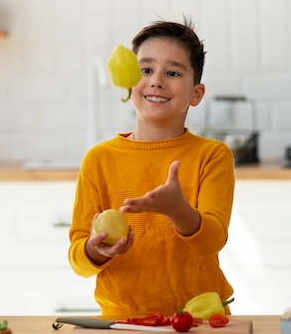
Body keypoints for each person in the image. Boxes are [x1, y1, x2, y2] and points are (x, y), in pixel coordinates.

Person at [68, 18, 235, 318]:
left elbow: (213, 240)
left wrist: (177, 209)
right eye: (145, 70)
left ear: (196, 94)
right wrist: (95, 250)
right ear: (128, 80)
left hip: (200, 319)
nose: (156, 80)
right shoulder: (98, 160)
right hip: (121, 320)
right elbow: (78, 259)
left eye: (172, 72)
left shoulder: (213, 156)